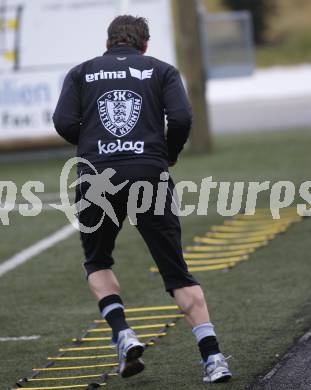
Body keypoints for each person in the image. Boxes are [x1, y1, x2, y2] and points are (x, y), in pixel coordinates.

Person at [53, 15, 231, 384]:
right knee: (176, 272)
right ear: (145, 45)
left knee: (97, 261)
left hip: (97, 177)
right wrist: (169, 153)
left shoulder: (81, 72)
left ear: (108, 42)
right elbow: (181, 117)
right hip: (149, 173)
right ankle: (213, 358)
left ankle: (123, 332)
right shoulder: (161, 70)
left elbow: (63, 122)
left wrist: (94, 142)